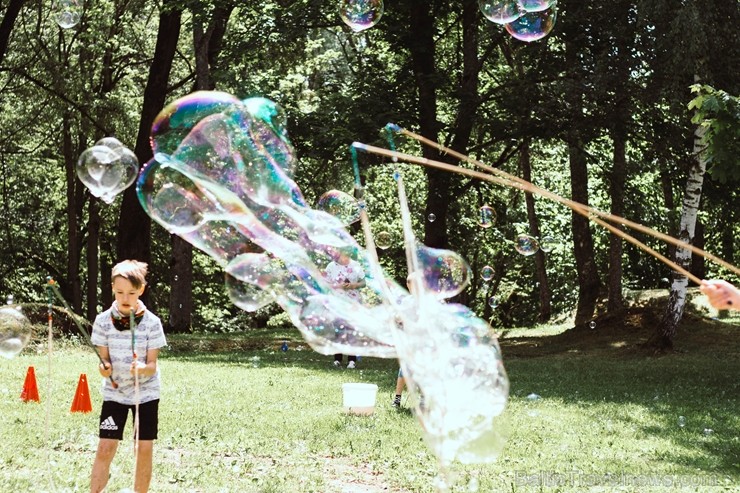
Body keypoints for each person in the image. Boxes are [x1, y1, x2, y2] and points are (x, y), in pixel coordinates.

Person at [90, 260, 167, 493]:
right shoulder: (103, 321)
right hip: (115, 392)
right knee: (105, 447)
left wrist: (142, 368)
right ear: (112, 288)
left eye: (132, 293)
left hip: (145, 394)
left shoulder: (152, 323)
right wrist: (104, 368)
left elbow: (152, 366)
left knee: (142, 448)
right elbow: (104, 362)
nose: (125, 298)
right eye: (120, 291)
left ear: (141, 290)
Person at [324, 247, 366, 369]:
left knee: (351, 330)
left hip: (353, 302)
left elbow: (363, 283)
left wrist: (354, 285)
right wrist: (338, 286)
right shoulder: (331, 266)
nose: (344, 256)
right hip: (337, 302)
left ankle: (352, 361)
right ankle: (337, 359)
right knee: (338, 330)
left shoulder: (356, 265)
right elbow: (325, 284)